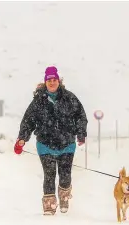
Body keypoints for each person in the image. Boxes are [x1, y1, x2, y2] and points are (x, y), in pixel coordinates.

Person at [14, 66, 88, 215]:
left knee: (65, 175)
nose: (52, 82)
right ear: (45, 82)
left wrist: (80, 133)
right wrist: (22, 138)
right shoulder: (38, 101)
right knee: (49, 175)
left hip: (66, 144)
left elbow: (80, 116)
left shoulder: (69, 98)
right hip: (45, 144)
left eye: (54, 80)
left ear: (58, 81)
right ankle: (49, 204)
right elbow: (28, 121)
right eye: (49, 80)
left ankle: (64, 196)